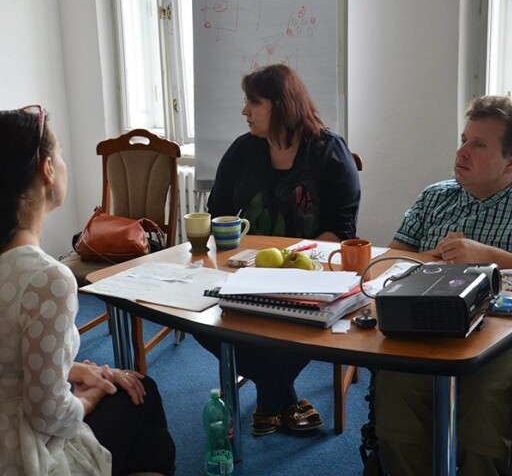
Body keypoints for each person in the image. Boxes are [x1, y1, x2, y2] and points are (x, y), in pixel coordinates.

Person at [0, 105, 176, 475]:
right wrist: (92, 396)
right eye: (61, 153)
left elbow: (11, 358)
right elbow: (49, 415)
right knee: (143, 393)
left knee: (141, 419)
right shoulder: (47, 279)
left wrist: (77, 370)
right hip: (23, 452)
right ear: (47, 169)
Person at [197, 64, 361, 436]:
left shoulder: (329, 152)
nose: (245, 111)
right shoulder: (243, 150)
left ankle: (269, 398)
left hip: (310, 277)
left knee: (309, 324)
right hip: (247, 275)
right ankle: (282, 395)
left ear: (282, 105)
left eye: (254, 102)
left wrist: (288, 265)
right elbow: (218, 212)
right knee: (199, 317)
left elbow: (341, 231)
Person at [371, 95, 512, 476]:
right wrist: (431, 259)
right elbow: (389, 262)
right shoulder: (435, 196)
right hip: (426, 325)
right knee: (396, 390)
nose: (462, 152)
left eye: (479, 145)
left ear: (510, 162)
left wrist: (488, 256)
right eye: (464, 140)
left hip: (501, 336)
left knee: (485, 406)